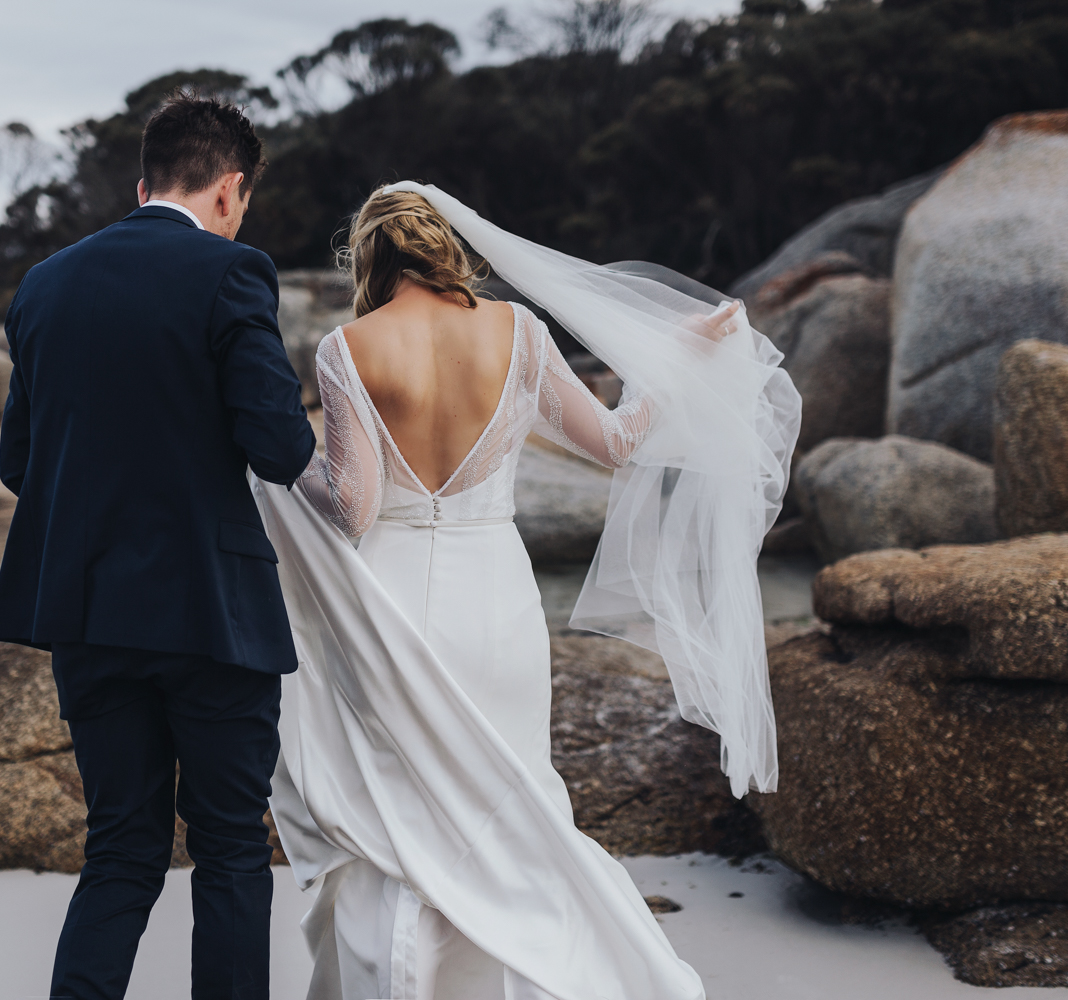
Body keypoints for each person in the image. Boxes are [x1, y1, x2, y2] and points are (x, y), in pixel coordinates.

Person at [257, 184, 800, 999]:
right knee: (510, 806)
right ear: (450, 246)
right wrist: (676, 357)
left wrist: (280, 477)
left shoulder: (349, 348)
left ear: (371, 258)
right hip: (499, 598)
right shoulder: (520, 331)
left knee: (402, 814)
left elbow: (356, 506)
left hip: (395, 603)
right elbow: (618, 443)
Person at [0, 95, 315, 1000]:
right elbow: (281, 449)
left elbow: (22, 463)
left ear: (143, 184)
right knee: (228, 849)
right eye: (241, 201)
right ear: (228, 189)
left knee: (121, 850)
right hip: (210, 615)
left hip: (88, 615)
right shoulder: (232, 272)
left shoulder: (44, 285)